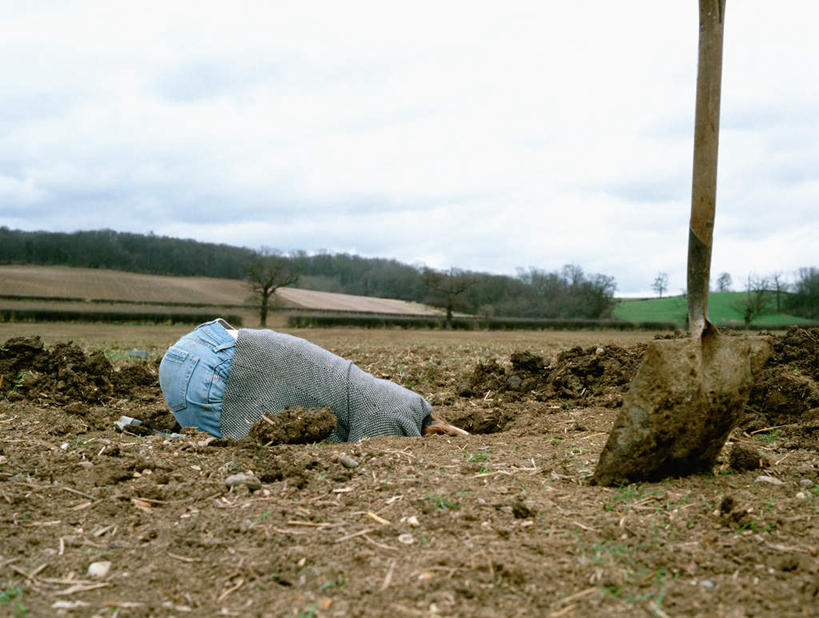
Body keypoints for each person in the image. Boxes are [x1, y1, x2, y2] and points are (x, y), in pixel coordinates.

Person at [158, 318, 467, 441]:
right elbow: (372, 454)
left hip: (210, 341)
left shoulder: (398, 400)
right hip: (211, 373)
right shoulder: (392, 418)